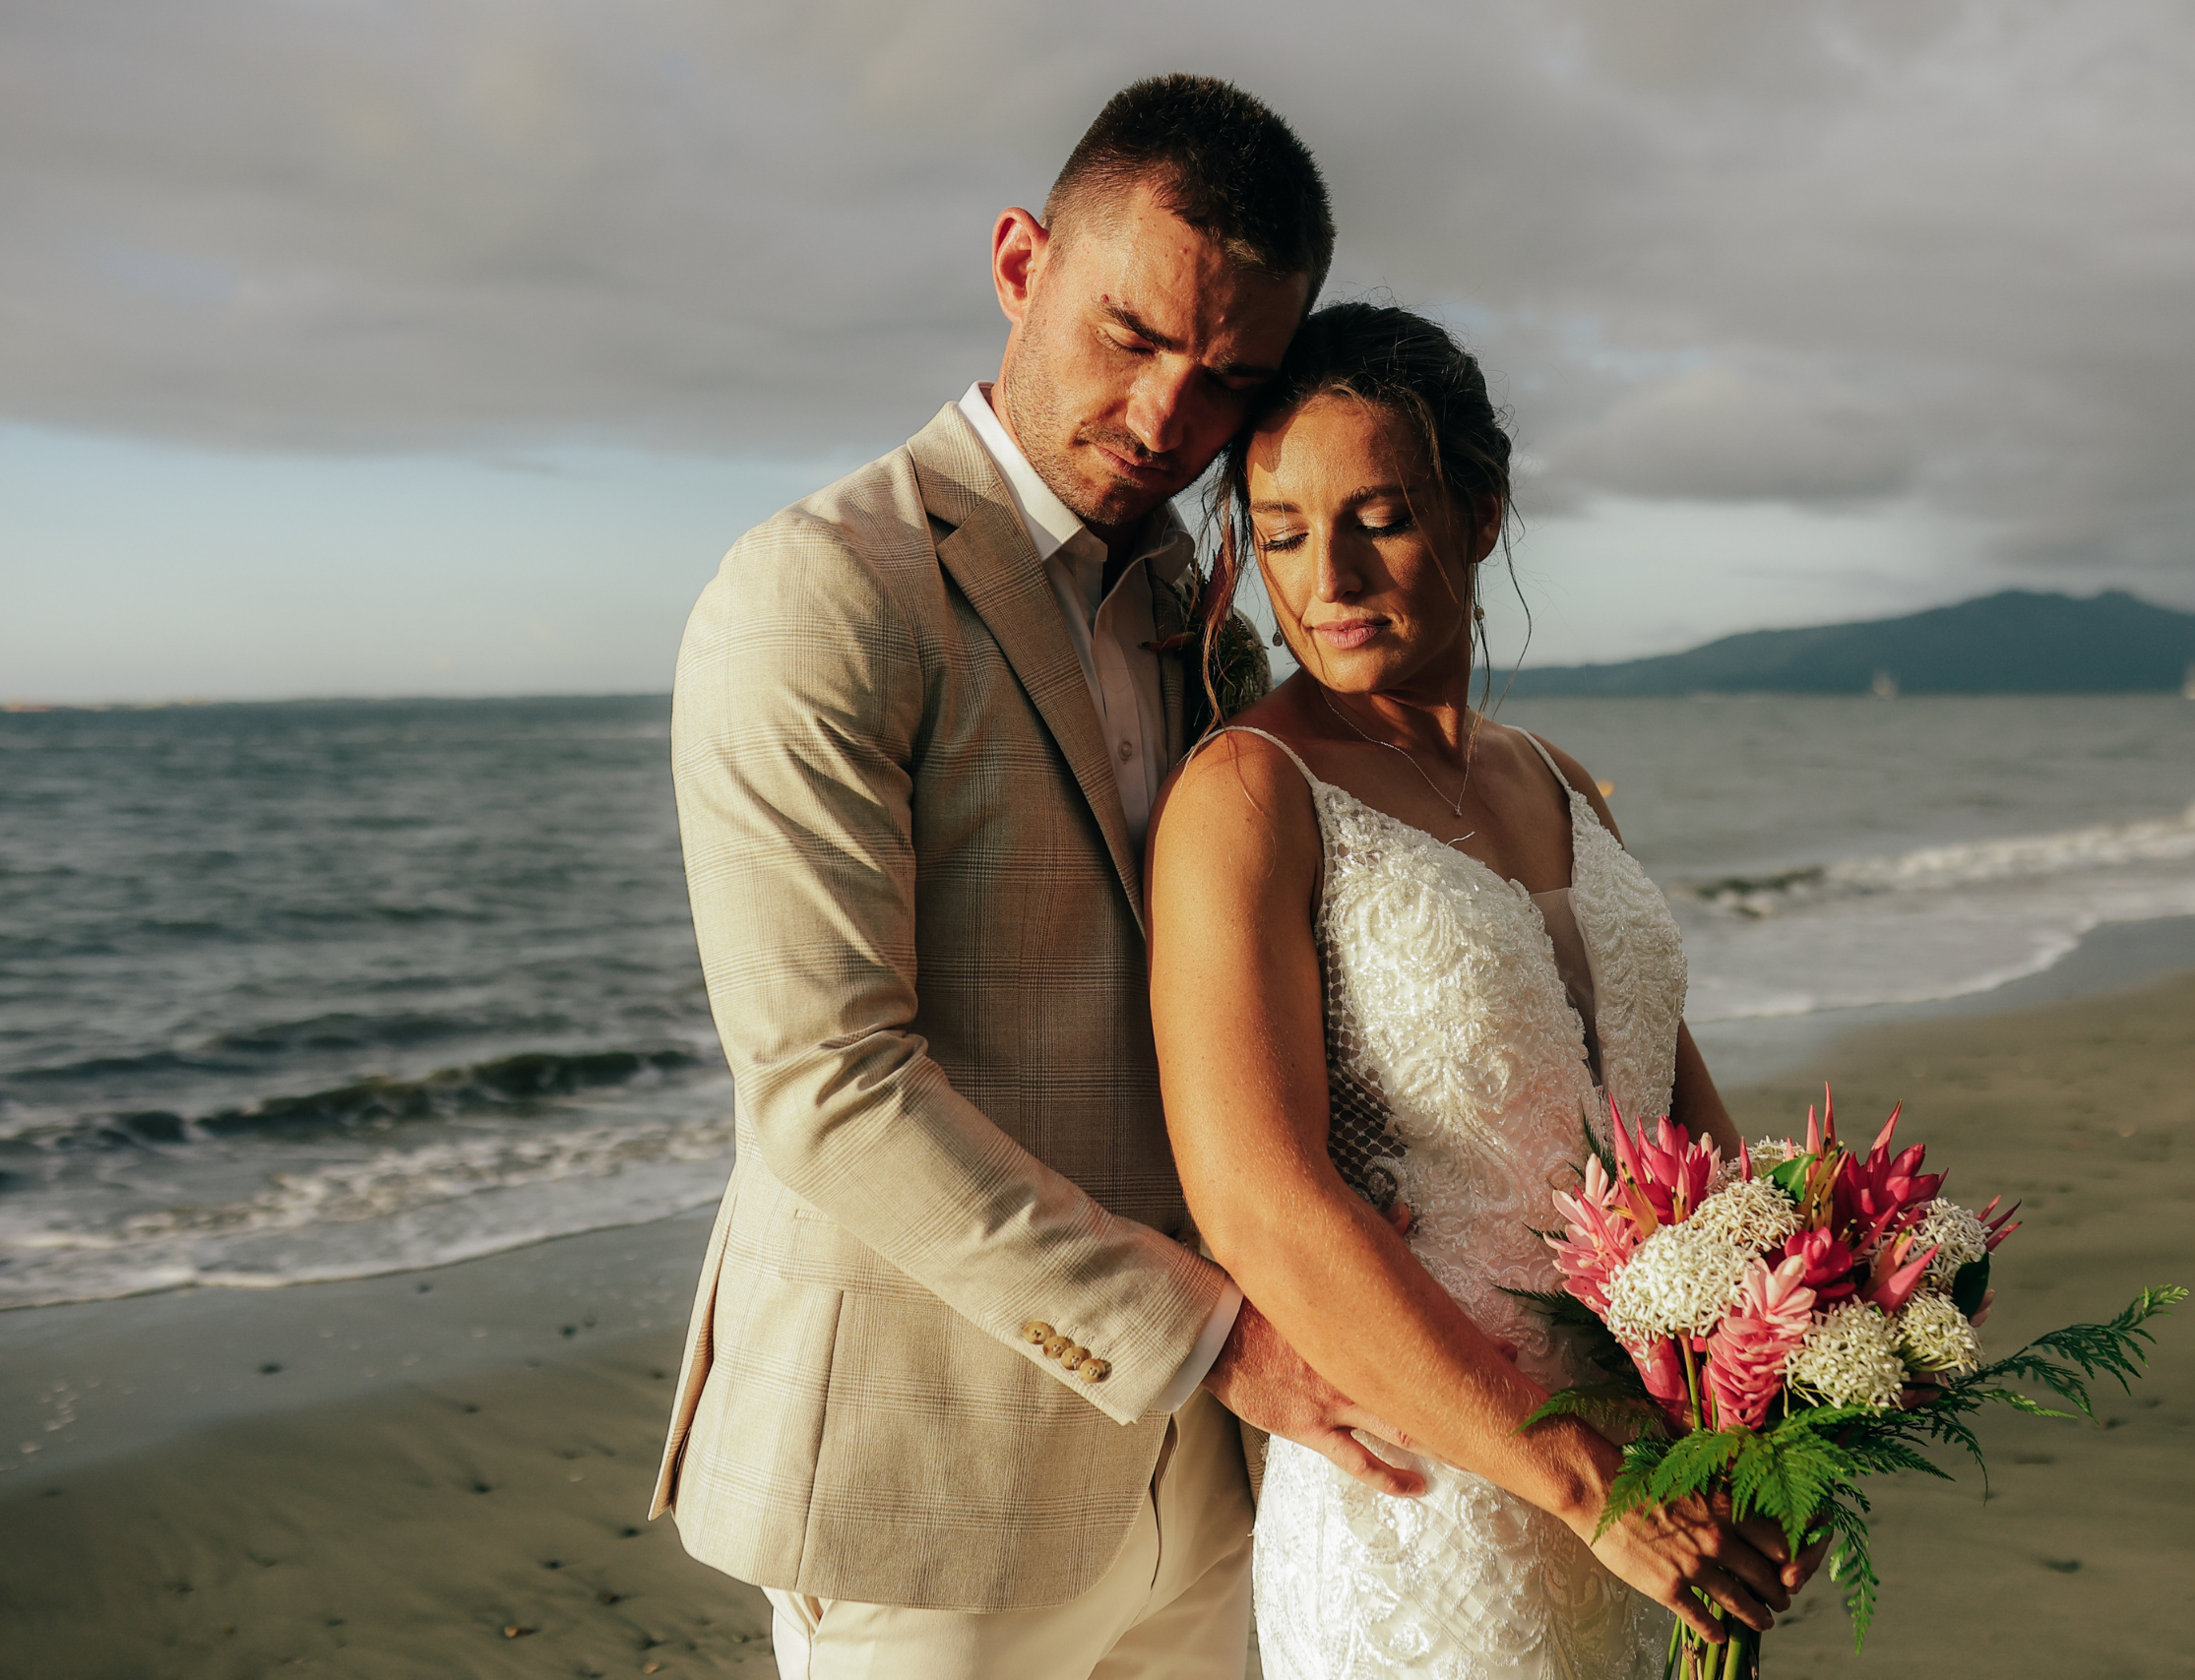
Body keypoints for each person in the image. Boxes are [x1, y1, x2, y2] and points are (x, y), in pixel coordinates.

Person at [650, 76, 1395, 1680]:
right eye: (1129, 337)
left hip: (1206, 1493)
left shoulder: (1201, 619)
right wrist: (1209, 1339)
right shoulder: (824, 590)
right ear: (1018, 262)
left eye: (1228, 382)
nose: (1165, 421)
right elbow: (828, 1084)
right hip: (925, 1493)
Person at [1147, 302, 1825, 1679]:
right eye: (1278, 533)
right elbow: (1261, 1204)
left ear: (1483, 512)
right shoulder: (1248, 797)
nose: (1324, 574)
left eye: (1378, 516)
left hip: (1659, 1491)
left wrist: (1776, 1416)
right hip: (1424, 1496)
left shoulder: (1563, 782)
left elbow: (1682, 1144)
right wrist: (1585, 1487)